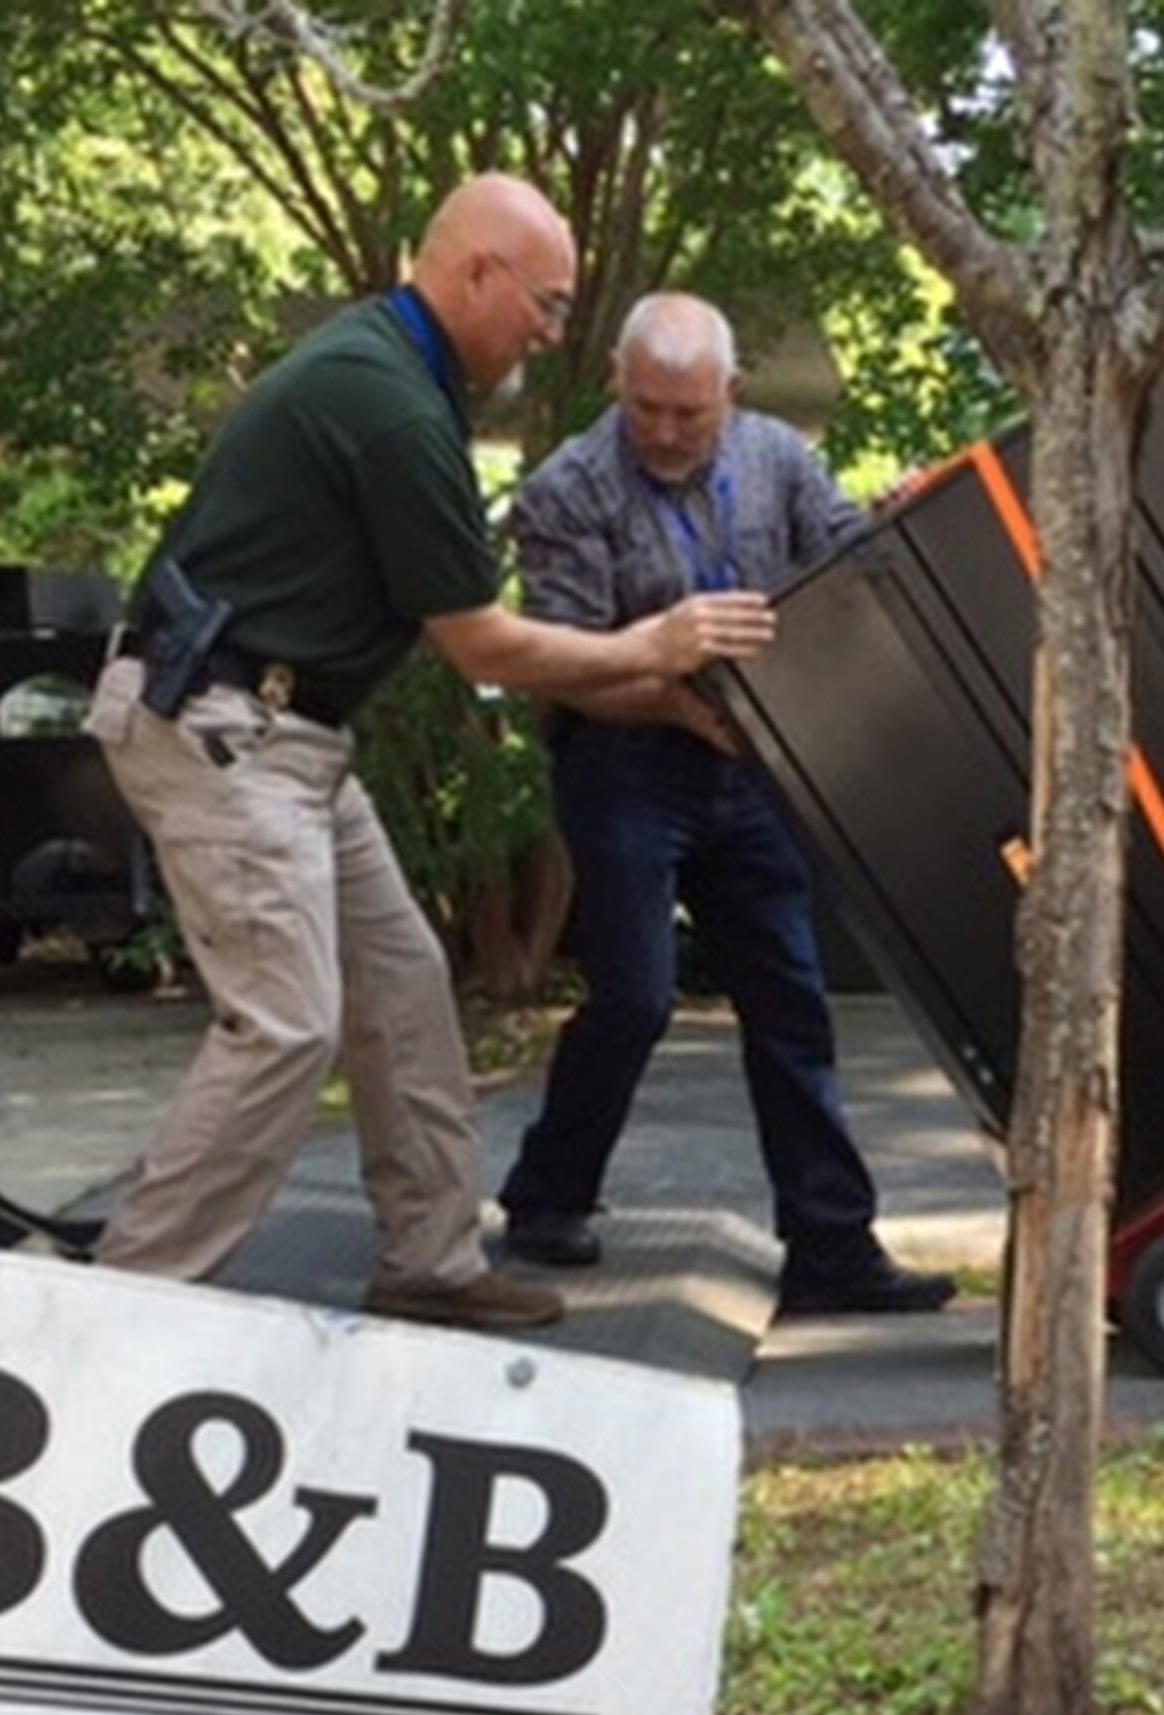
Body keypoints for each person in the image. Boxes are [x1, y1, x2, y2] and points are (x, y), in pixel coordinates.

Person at [83, 175, 777, 1327]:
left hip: (288, 738)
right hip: (222, 729)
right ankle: (124, 1306)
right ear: (475, 275)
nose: (551, 332)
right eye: (546, 305)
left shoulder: (397, 374)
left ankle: (432, 1262)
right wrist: (652, 646)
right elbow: (479, 645)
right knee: (288, 1023)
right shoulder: (389, 405)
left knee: (405, 997)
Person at [495, 294, 958, 1318]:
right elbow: (559, 667)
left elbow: (845, 566)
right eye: (646, 407)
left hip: (750, 763)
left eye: (687, 414)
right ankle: (548, 1195)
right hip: (623, 761)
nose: (662, 431)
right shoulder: (567, 489)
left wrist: (900, 522)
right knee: (636, 996)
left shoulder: (780, 459)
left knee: (791, 998)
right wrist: (674, 699)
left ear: (731, 395)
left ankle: (832, 1246)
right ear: (618, 381)